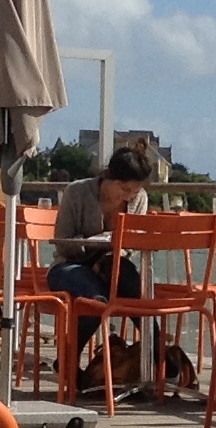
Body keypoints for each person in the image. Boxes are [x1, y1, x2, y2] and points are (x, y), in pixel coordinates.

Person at [46, 147, 157, 390]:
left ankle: (157, 352)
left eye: (135, 191)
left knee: (132, 287)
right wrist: (94, 246)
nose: (128, 197)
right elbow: (62, 242)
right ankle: (69, 359)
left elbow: (131, 243)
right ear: (109, 177)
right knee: (97, 300)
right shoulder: (76, 192)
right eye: (124, 189)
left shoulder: (138, 198)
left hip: (111, 264)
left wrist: (107, 257)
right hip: (70, 265)